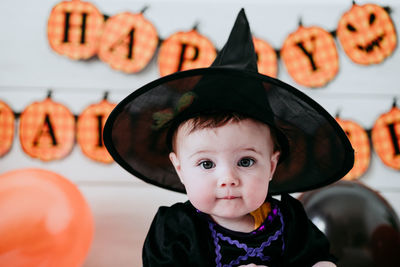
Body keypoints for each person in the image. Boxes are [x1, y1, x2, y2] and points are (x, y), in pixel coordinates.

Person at [103, 9, 354, 267]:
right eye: (206, 164)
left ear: (271, 165)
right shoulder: (176, 231)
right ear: (179, 169)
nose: (228, 180)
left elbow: (320, 260)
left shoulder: (289, 222)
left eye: (245, 161)